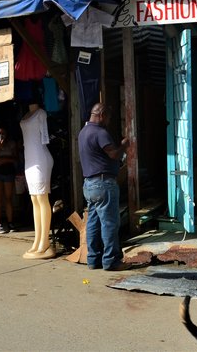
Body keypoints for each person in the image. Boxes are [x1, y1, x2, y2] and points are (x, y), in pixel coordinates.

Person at [78, 103, 130, 271]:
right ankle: (111, 261)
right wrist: (124, 145)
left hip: (89, 184)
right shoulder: (100, 133)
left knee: (93, 222)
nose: (108, 121)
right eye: (107, 117)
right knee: (109, 223)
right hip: (103, 183)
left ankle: (93, 259)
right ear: (101, 115)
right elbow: (114, 154)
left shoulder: (83, 132)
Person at [20, 100, 55, 259]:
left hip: (40, 157)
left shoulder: (41, 113)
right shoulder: (26, 115)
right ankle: (37, 240)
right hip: (29, 159)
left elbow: (45, 137)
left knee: (42, 198)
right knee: (34, 199)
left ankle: (45, 241)